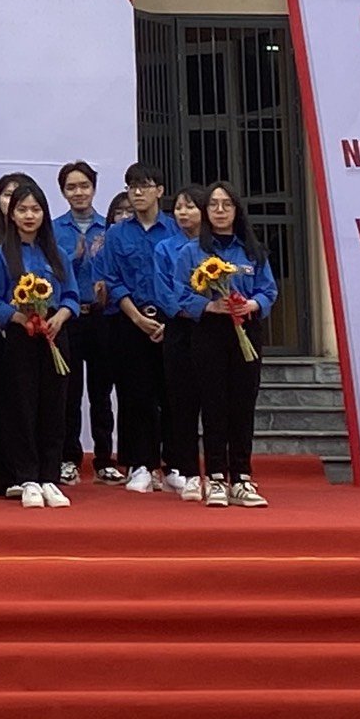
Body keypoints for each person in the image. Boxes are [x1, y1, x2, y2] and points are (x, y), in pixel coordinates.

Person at [0, 173, 78, 509]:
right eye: (22, 210)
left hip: (54, 336)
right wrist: (17, 317)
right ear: (11, 215)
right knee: (21, 407)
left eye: (35, 209)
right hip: (19, 338)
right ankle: (27, 477)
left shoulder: (58, 254)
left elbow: (72, 295)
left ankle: (50, 478)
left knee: (54, 408)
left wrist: (61, 316)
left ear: (44, 213)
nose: (29, 216)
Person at [184, 180, 276, 508]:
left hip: (246, 331)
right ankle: (216, 477)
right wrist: (209, 306)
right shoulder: (192, 252)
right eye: (213, 205)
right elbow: (178, 293)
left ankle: (241, 477)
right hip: (209, 332)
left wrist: (252, 304)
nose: (220, 211)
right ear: (205, 211)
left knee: (242, 405)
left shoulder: (252, 251)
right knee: (213, 405)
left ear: (237, 210)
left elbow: (268, 290)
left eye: (227, 205)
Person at [100, 163, 174, 495]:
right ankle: (140, 464)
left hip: (170, 320)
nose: (138, 192)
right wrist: (137, 318)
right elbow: (112, 280)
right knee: (135, 394)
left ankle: (173, 464)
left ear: (160, 190)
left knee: (172, 395)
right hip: (129, 320)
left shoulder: (175, 230)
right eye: (132, 186)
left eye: (144, 185)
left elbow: (182, 277)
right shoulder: (117, 234)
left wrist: (167, 321)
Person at [53, 160, 116, 487]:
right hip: (70, 317)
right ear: (63, 192)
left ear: (94, 188)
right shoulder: (53, 229)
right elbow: (50, 274)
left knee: (102, 393)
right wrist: (75, 257)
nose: (78, 192)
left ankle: (104, 459)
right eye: (71, 187)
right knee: (69, 392)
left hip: (102, 317)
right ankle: (69, 458)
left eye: (84, 186)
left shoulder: (109, 228)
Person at [157, 184, 209, 499]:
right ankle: (185, 470)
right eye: (178, 207)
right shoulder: (165, 248)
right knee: (182, 402)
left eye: (190, 207)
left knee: (215, 403)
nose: (183, 213)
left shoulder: (214, 246)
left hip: (213, 328)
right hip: (180, 327)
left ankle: (218, 473)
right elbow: (164, 291)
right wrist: (193, 309)